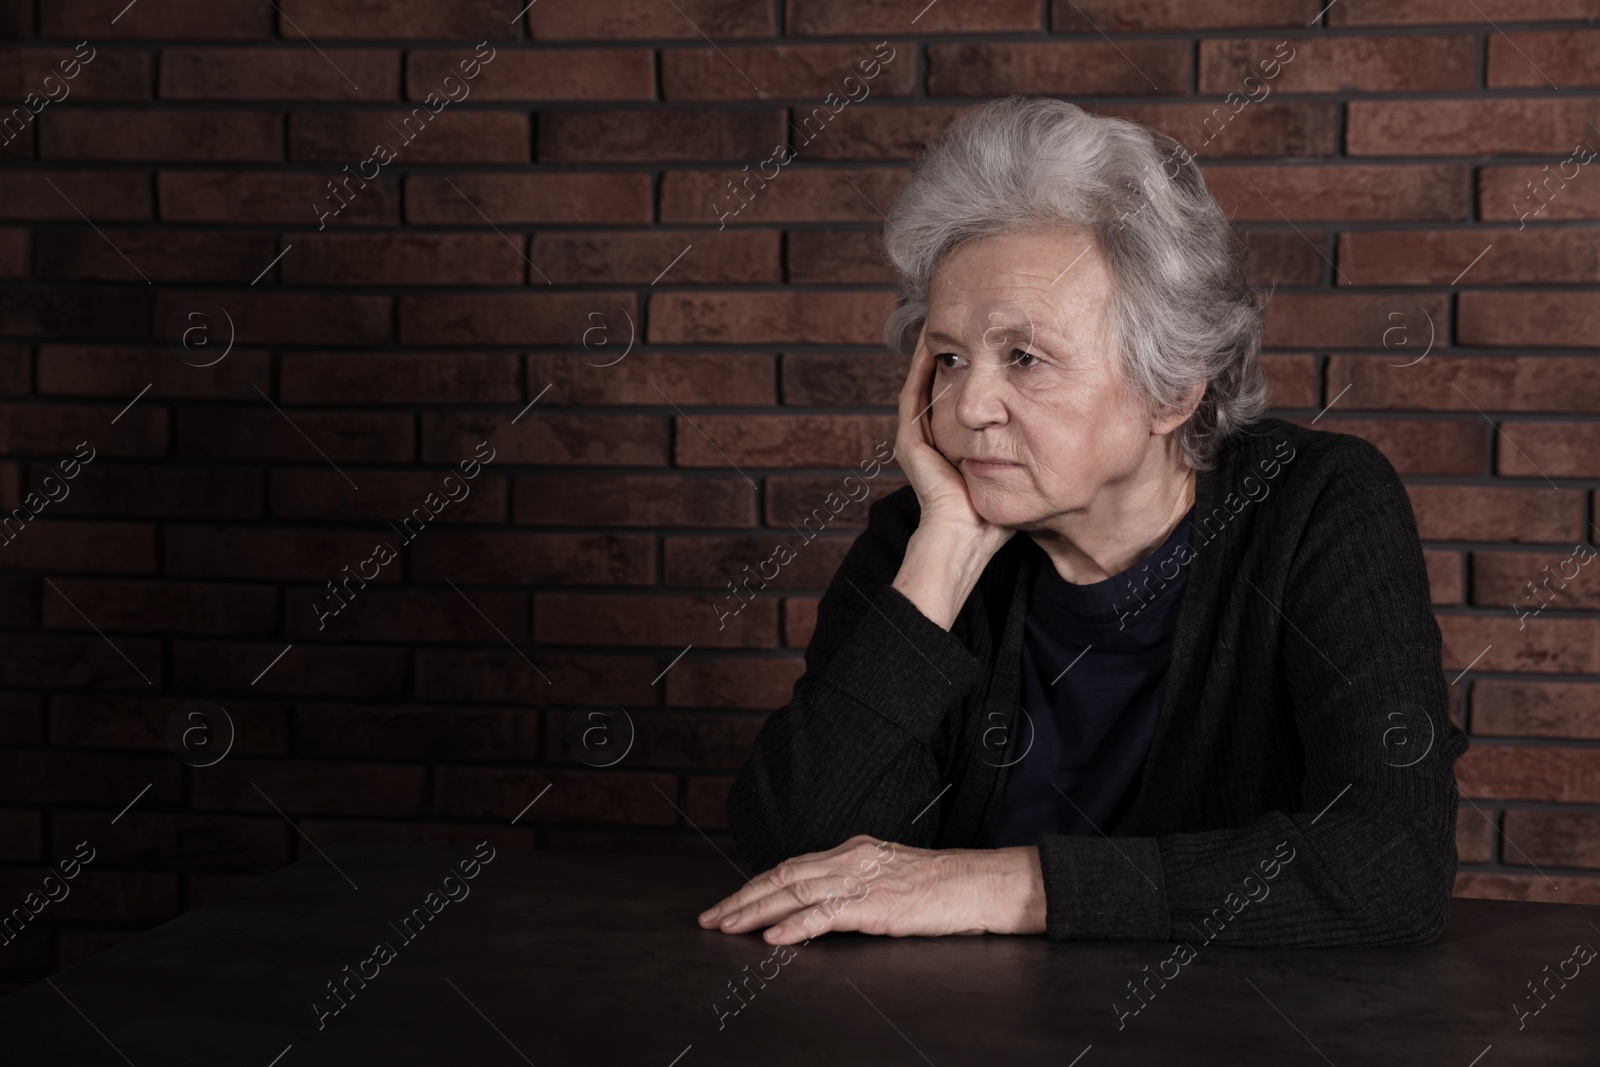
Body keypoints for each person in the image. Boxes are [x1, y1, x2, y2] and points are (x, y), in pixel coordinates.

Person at [697, 97, 1468, 949]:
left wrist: (1007, 884)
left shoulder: (1318, 508)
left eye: (1023, 357)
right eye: (949, 356)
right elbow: (798, 862)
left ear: (1172, 388)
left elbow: (1391, 864)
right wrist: (940, 562)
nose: (968, 403)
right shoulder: (921, 537)